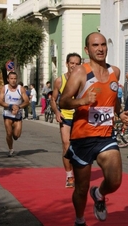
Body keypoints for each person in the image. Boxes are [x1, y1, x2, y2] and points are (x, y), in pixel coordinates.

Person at [59, 32, 128, 226]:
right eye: (95, 45)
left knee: (115, 180)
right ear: (87, 50)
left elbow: (113, 100)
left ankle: (99, 194)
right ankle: (80, 222)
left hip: (105, 136)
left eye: (103, 45)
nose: (100, 49)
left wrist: (120, 113)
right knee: (81, 189)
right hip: (82, 138)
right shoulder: (81, 72)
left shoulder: (114, 72)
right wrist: (81, 100)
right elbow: (63, 101)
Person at [50, 52, 82, 188]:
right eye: (72, 63)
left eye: (77, 64)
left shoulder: (84, 80)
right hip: (66, 116)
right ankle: (69, 176)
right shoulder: (60, 80)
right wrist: (57, 111)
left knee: (80, 147)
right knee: (66, 144)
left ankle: (80, 172)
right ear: (67, 64)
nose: (74, 66)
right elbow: (53, 99)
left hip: (80, 117)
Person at [0, 72, 30, 157]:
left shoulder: (21, 88)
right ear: (8, 79)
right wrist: (10, 106)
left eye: (15, 78)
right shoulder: (4, 88)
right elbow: (0, 101)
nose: (13, 80)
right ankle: (11, 149)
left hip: (18, 115)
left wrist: (18, 107)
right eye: (11, 79)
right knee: (9, 133)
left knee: (16, 136)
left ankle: (13, 133)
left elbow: (27, 101)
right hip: (7, 114)